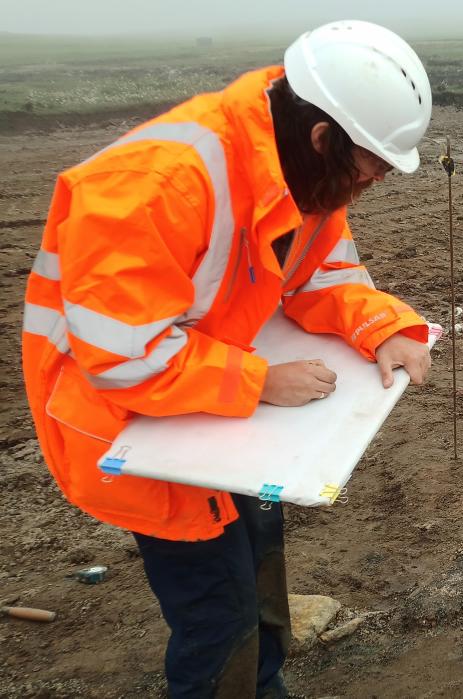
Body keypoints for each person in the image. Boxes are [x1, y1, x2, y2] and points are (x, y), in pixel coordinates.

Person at [21, 20, 435, 698]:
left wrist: (383, 326)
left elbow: (322, 277)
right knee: (219, 618)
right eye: (364, 174)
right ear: (324, 138)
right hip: (140, 434)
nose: (361, 192)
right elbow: (124, 359)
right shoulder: (152, 188)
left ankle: (262, 682)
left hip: (221, 425)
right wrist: (259, 381)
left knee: (259, 572)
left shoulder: (296, 175)